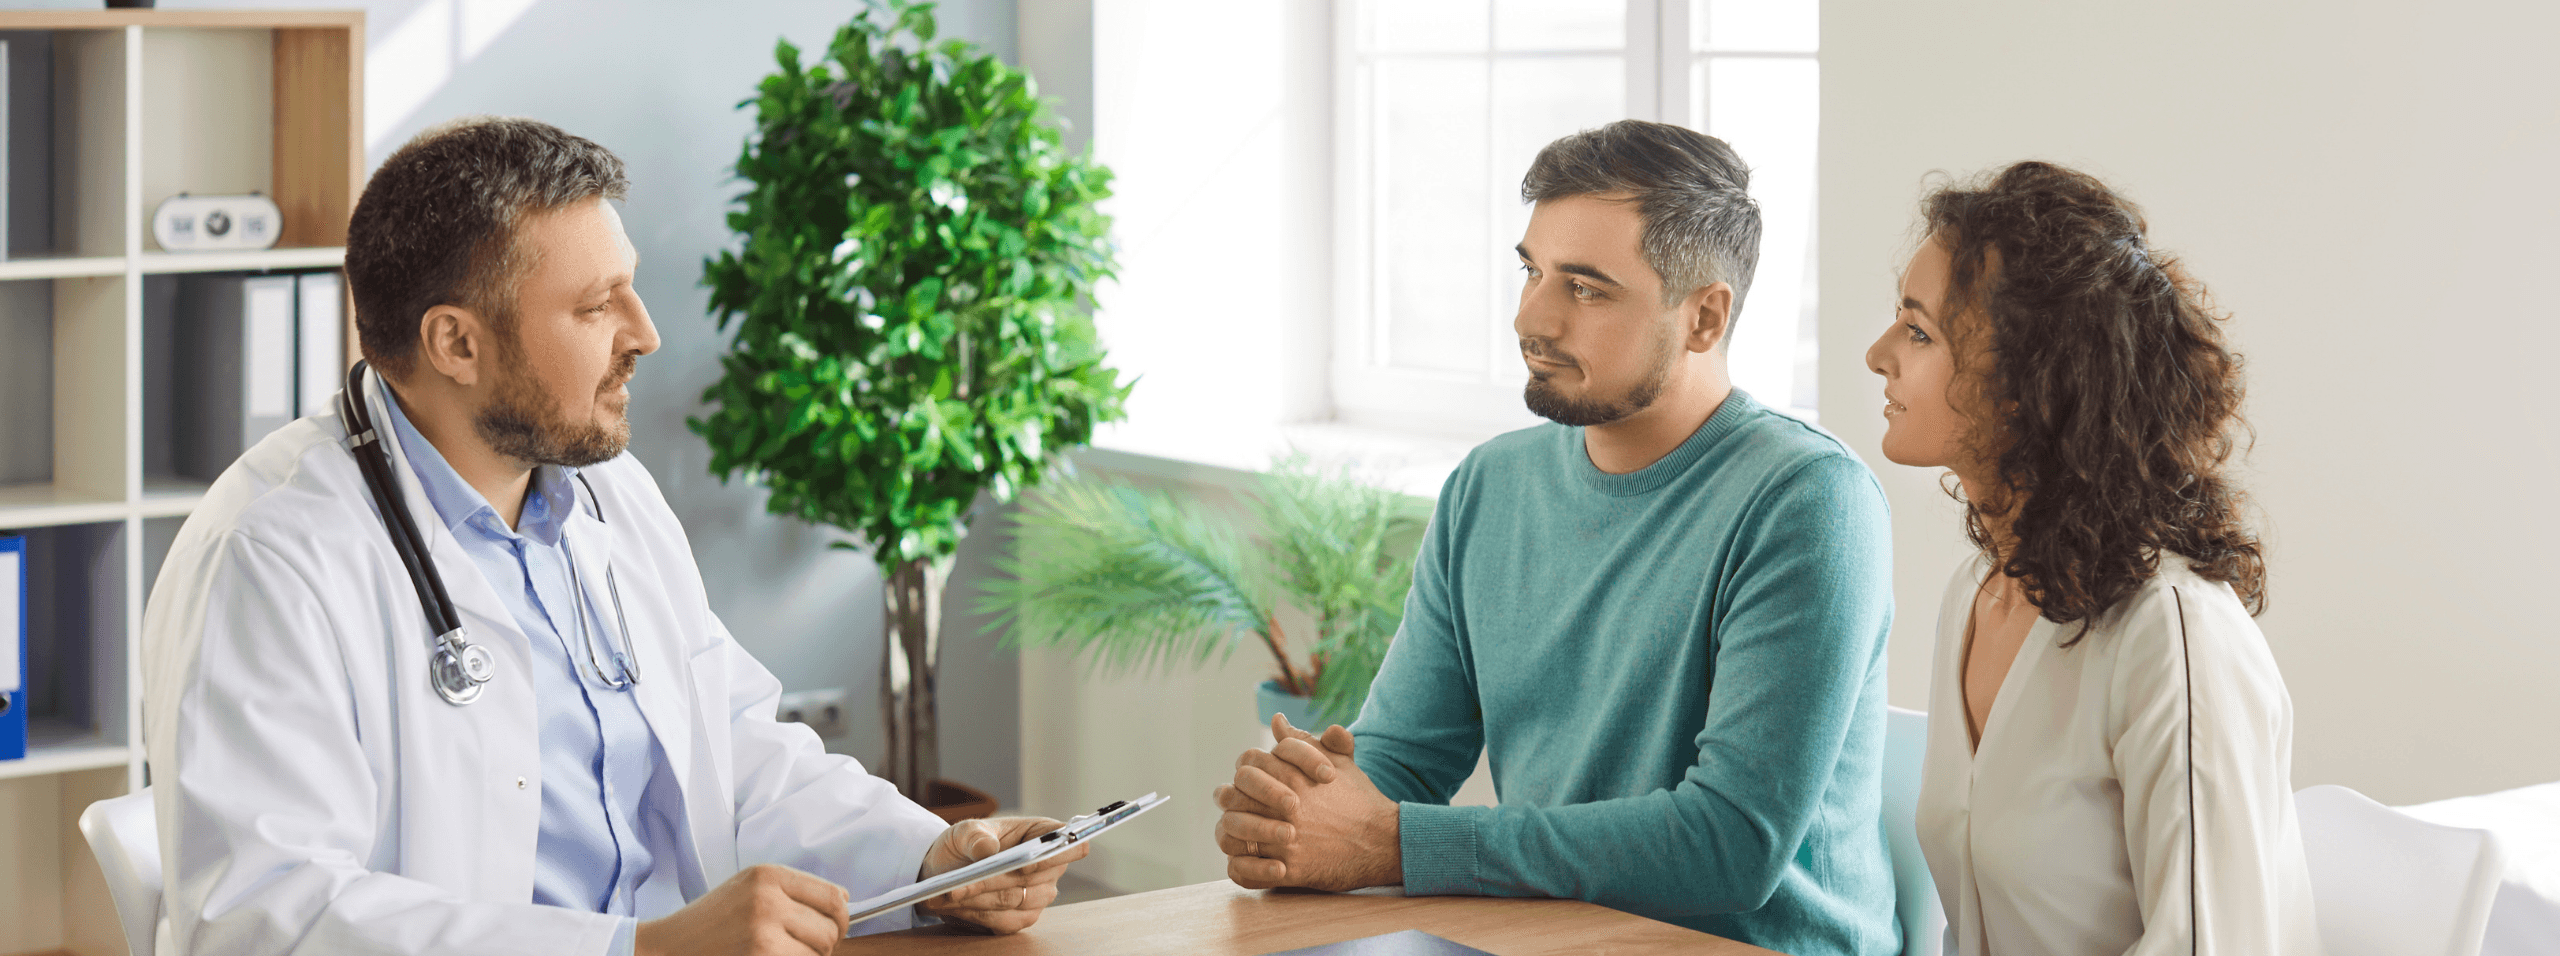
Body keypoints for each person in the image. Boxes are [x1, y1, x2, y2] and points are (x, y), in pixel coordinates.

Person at [140, 117, 1084, 956]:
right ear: (455, 344)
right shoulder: (271, 555)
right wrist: (641, 948)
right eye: (597, 306)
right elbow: (265, 917)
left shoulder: (606, 495)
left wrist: (929, 853)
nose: (646, 333)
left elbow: (731, 744)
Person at [1212, 120, 1900, 956]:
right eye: (1532, 271)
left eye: (1586, 288)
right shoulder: (1489, 486)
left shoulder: (1808, 502)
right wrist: (1302, 808)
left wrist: (1388, 841)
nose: (1531, 319)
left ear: (1705, 317)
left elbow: (1730, 844)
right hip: (1541, 938)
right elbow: (1404, 756)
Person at [1865, 161, 2323, 955]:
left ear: (2027, 382)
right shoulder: (1976, 594)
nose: (1878, 355)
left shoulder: (2171, 636)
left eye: (1918, 330)